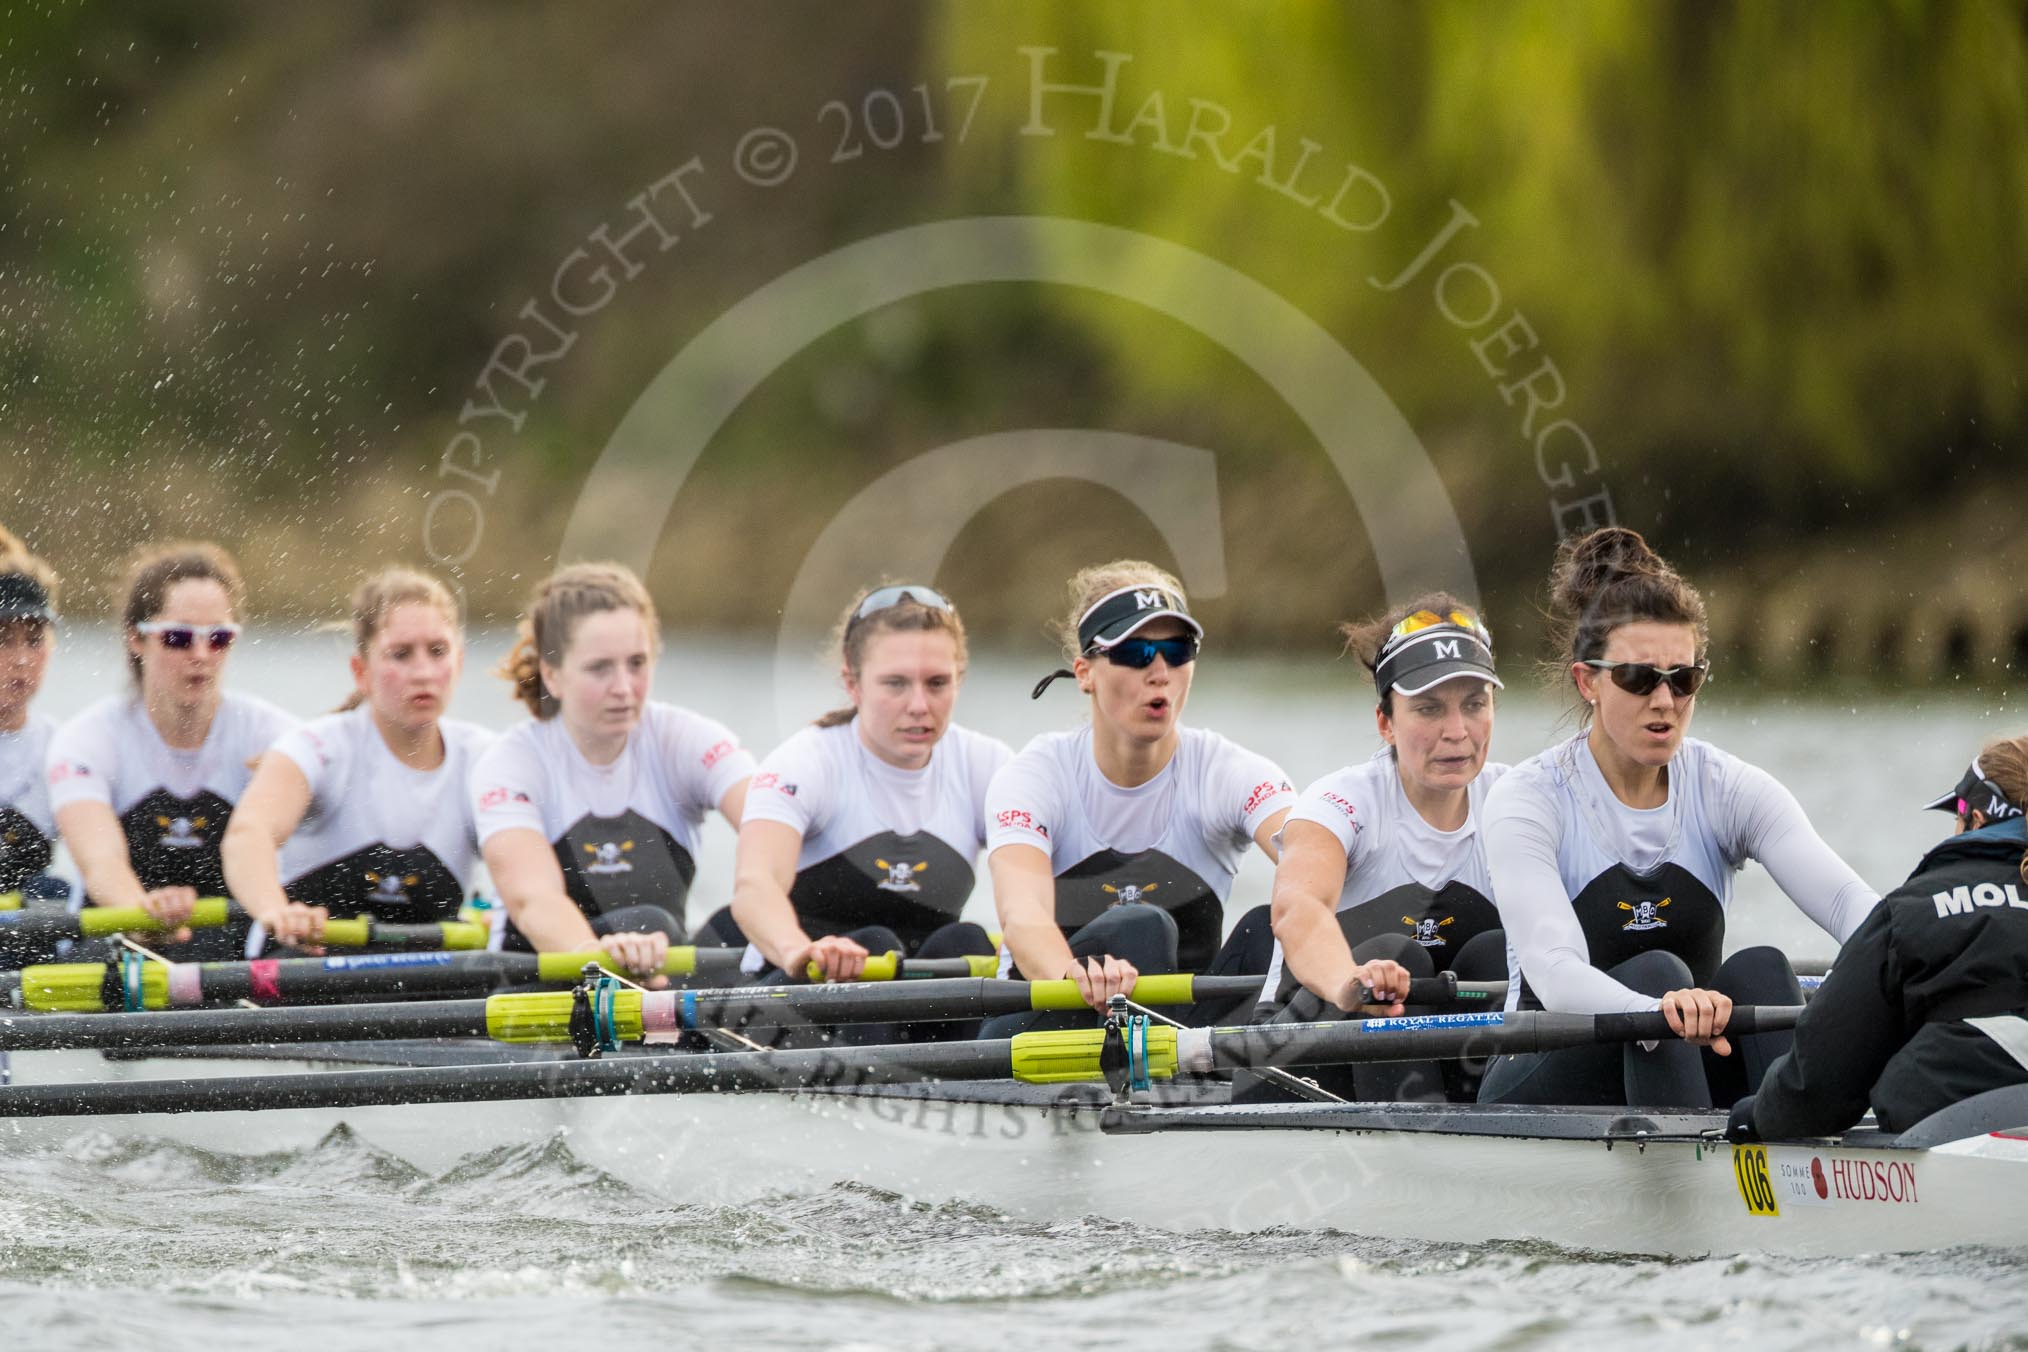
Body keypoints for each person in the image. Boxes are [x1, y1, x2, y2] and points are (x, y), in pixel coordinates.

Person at [1479, 527, 1877, 1109]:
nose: (1665, 701)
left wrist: (1912, 954)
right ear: (1588, 681)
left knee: (1764, 971)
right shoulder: (1528, 799)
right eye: (1638, 678)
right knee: (1660, 973)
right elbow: (1557, 974)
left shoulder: (1726, 787)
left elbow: (1846, 903)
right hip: (1542, 1069)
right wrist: (1659, 1009)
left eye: (1684, 679)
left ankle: (1798, 1143)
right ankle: (1697, 1160)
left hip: (1685, 1057)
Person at [982, 561, 1295, 1035]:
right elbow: (1022, 916)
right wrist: (1073, 976)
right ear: (1085, 672)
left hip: (1180, 1038)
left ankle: (1234, 1066)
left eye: (1177, 650)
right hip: (1039, 1033)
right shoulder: (1034, 776)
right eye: (1135, 652)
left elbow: (1316, 861)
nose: (1160, 671)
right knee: (1140, 927)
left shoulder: (1228, 772)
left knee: (1277, 924)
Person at [1253, 595, 1510, 1100]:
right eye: (1429, 709)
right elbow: (1297, 910)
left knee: (1499, 952)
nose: (1457, 732)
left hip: (1442, 1063)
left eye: (1474, 704)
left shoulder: (1515, 800)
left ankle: (1484, 1121)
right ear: (1385, 723)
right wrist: (1350, 981)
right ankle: (1412, 1140)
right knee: (1396, 954)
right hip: (1298, 1061)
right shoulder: (1339, 802)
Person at [703, 584, 1008, 985]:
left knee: (967, 941)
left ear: (959, 679)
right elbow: (755, 887)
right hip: (799, 986)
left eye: (937, 683)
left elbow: (1042, 891)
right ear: (852, 681)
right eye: (895, 683)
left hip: (920, 993)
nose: (919, 705)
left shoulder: (988, 766)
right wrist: (799, 951)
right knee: (876, 942)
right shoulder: (805, 763)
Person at [1730, 738, 2028, 1139]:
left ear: (1976, 818)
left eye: (1956, 812)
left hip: (1955, 1130)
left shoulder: (1912, 912)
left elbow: (1818, 1086)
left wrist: (1757, 1114)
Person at [469, 562, 753, 978]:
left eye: (636, 663)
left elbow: (774, 827)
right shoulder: (512, 762)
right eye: (600, 668)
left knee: (744, 925)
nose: (623, 687)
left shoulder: (688, 740)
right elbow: (534, 900)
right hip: (543, 985)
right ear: (552, 675)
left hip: (657, 980)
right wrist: (604, 960)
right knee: (649, 922)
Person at [222, 568, 495, 953]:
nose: (423, 672)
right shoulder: (316, 747)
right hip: (306, 961)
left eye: (437, 651)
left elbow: (534, 869)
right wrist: (275, 910)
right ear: (361, 672)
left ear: (460, 663)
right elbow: (248, 834)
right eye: (401, 654)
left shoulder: (484, 758)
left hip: (430, 975)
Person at [47, 542, 295, 959]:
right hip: (120, 944)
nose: (201, 655)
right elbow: (101, 862)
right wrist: (144, 918)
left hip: (232, 951)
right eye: (179, 638)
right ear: (136, 638)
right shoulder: (88, 739)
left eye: (219, 638)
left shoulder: (272, 736)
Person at [0, 526, 63, 904]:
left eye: (35, 639)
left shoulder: (64, 747)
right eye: (3, 639)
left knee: (55, 892)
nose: (22, 659)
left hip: (25, 920)